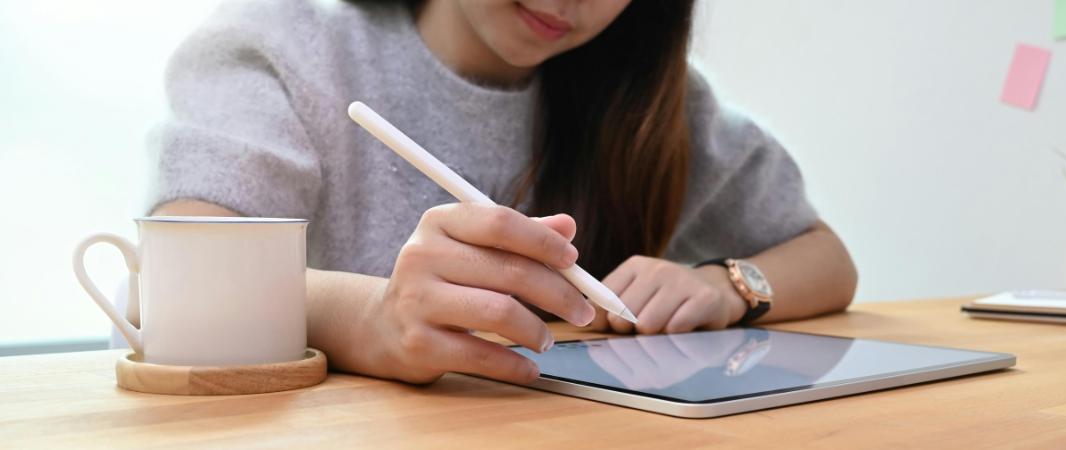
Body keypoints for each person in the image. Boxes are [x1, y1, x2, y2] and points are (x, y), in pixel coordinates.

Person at [150, 0, 857, 385]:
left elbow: (827, 259)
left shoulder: (649, 104)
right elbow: (174, 286)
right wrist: (375, 320)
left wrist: (729, 283)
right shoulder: (282, 44)